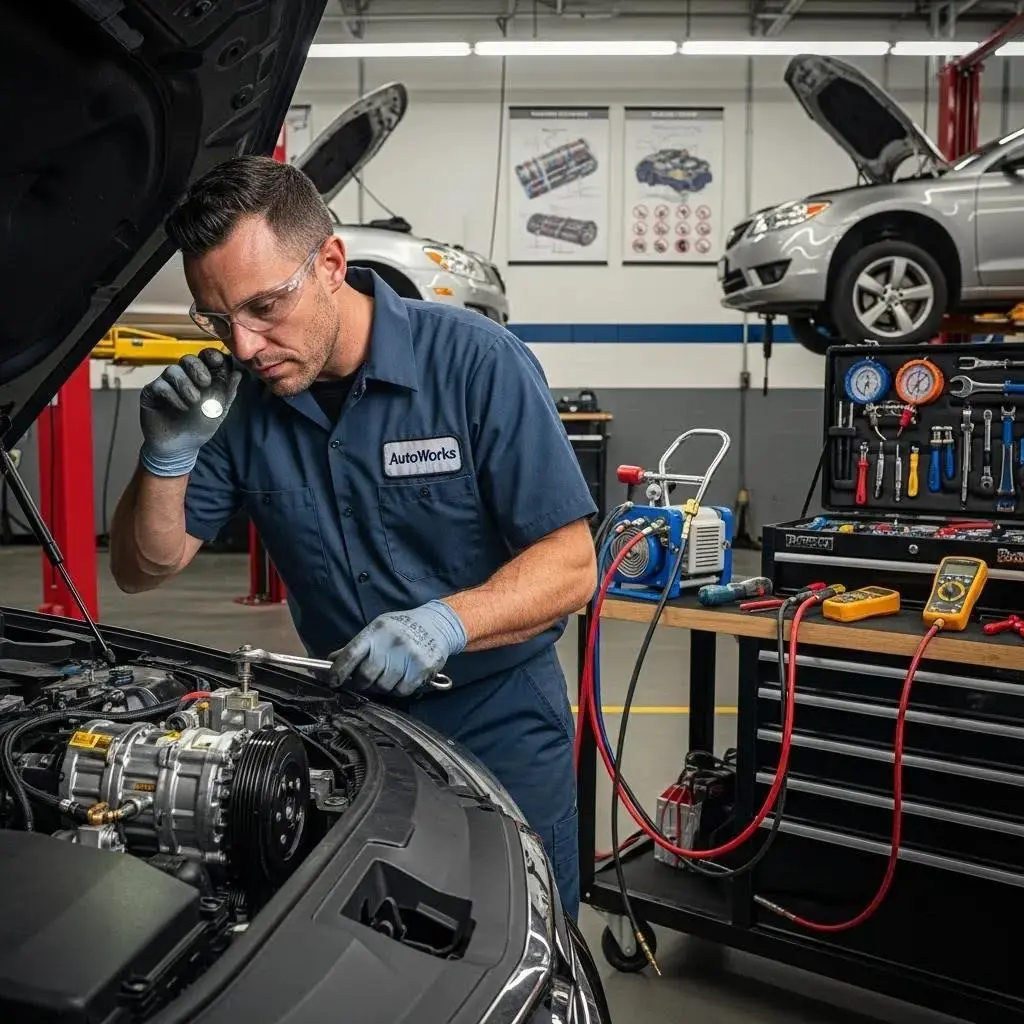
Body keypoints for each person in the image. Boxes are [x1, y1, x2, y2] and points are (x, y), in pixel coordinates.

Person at [109, 155, 598, 918]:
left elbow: (570, 566)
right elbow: (146, 568)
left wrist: (447, 623)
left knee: (520, 930)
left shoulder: (473, 362)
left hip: (498, 717)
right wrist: (165, 459)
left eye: (265, 307)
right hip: (352, 727)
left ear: (331, 263)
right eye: (218, 319)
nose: (243, 345)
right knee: (377, 936)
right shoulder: (237, 402)